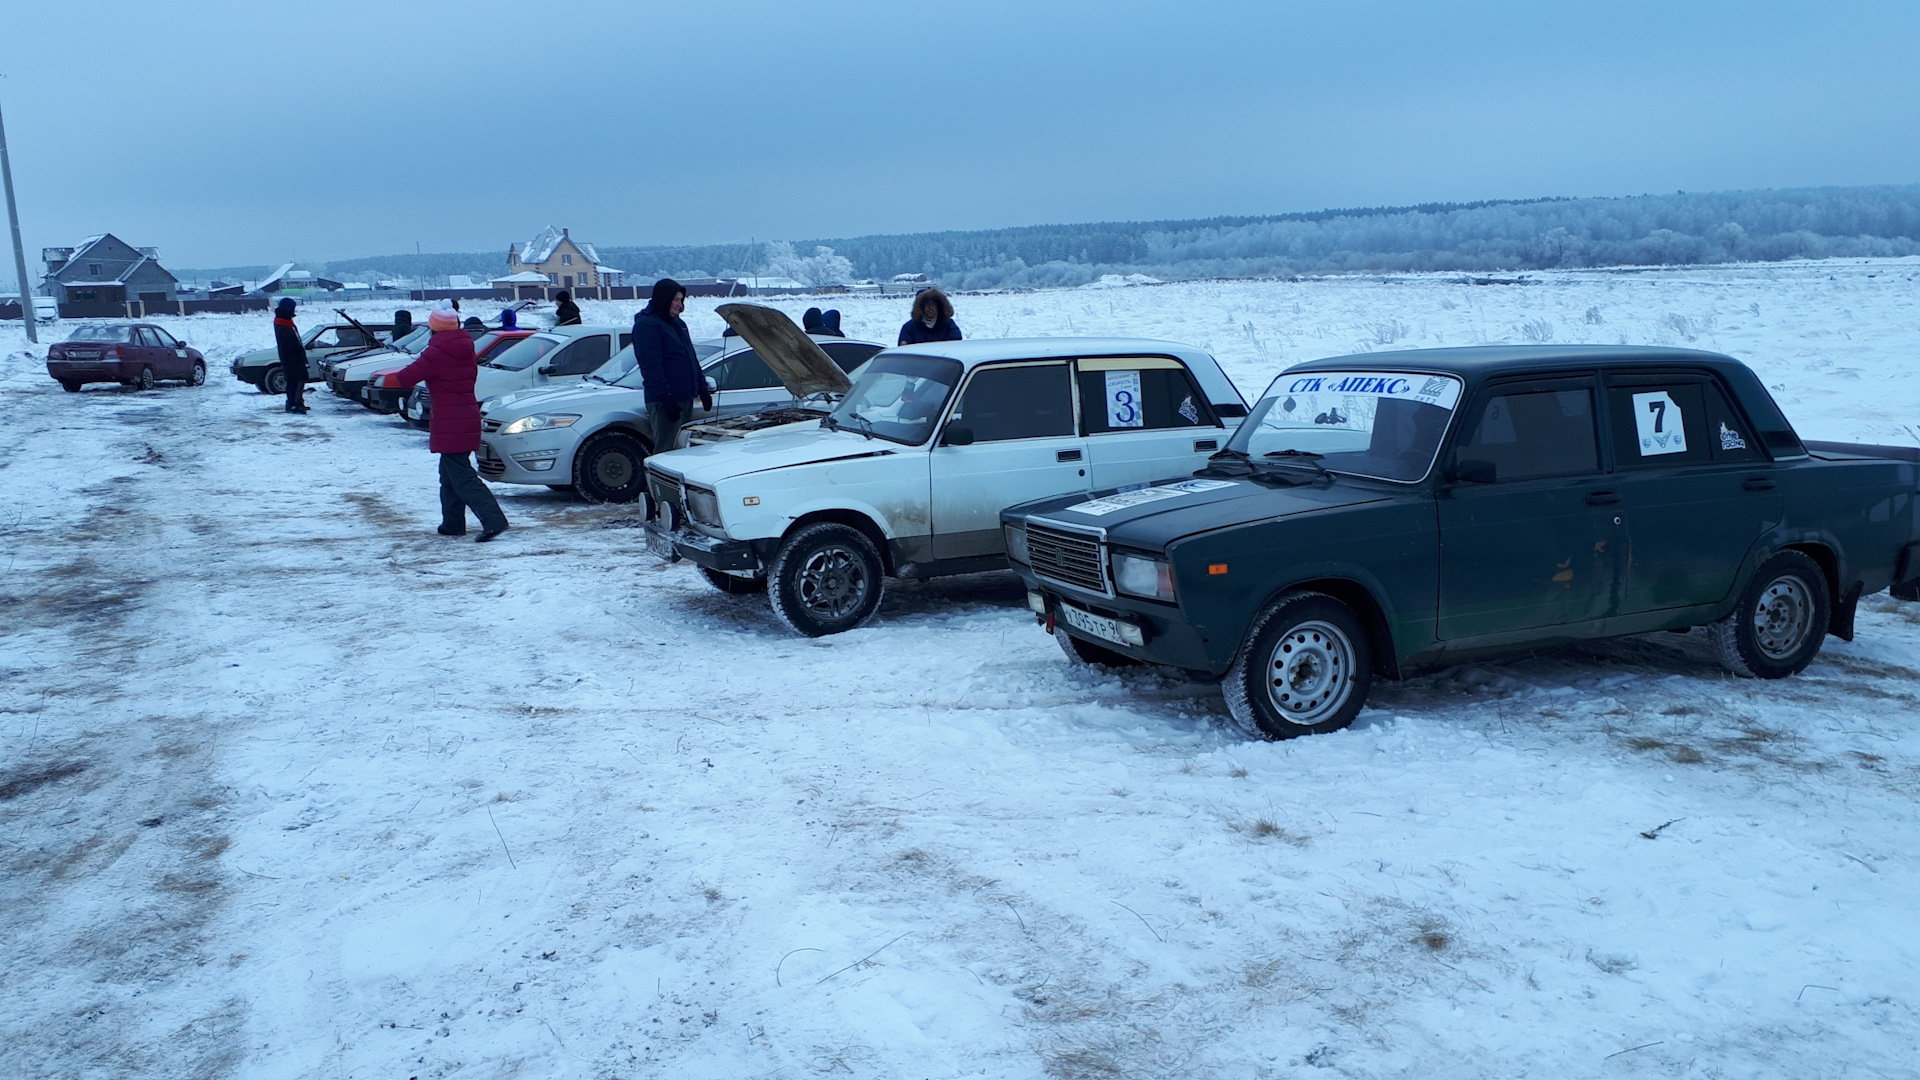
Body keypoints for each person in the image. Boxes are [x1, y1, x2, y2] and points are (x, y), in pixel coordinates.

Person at [390, 300, 510, 542]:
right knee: (449, 474)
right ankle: (452, 524)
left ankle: (494, 520)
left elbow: (407, 378)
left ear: (434, 328)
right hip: (464, 416)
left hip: (451, 419)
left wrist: (384, 379)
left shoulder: (437, 352)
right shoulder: (464, 346)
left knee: (462, 476)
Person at [632, 278, 708, 456]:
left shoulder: (677, 324)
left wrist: (702, 387)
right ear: (664, 299)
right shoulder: (647, 325)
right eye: (676, 300)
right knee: (667, 451)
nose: (679, 305)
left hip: (685, 397)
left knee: (683, 449)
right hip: (665, 400)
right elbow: (651, 366)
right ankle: (662, 483)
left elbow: (691, 358)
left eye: (681, 300)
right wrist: (666, 398)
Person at [272, 297, 308, 413]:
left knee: (295, 381)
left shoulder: (284, 322)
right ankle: (295, 404)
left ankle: (296, 403)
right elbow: (290, 343)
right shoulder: (283, 324)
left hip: (292, 357)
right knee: (296, 381)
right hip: (292, 358)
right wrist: (299, 350)